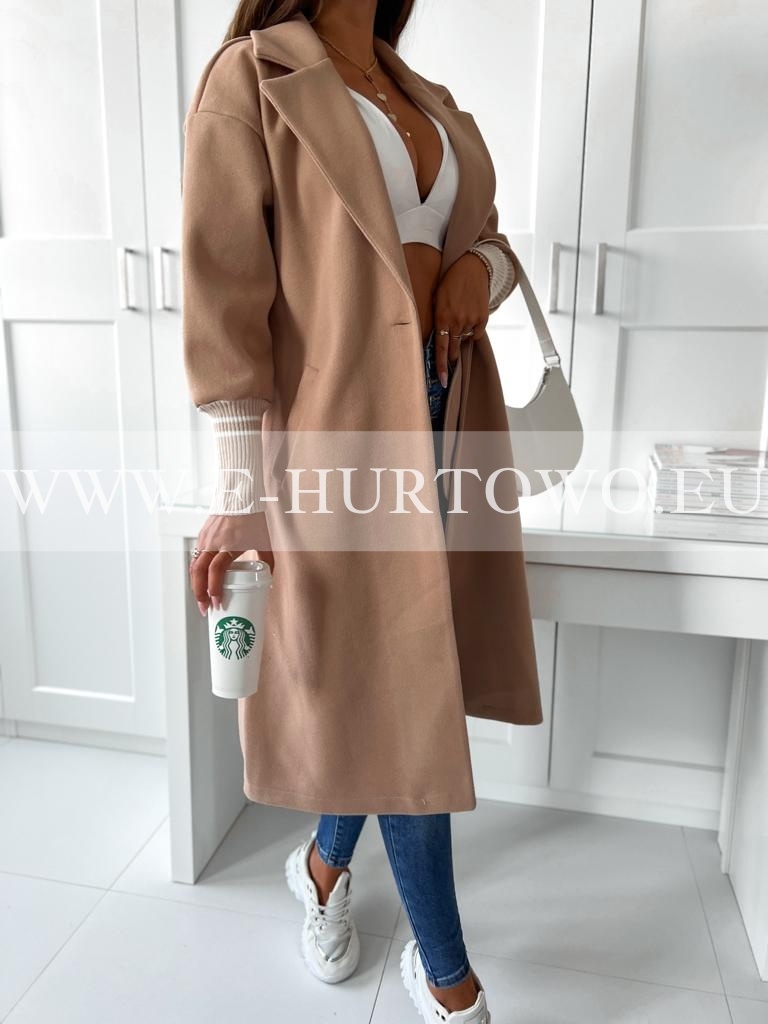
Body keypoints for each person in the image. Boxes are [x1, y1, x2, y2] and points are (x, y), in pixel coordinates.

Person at [182, 2, 544, 1020]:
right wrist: (240, 492)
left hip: (448, 420)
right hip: (333, 438)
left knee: (397, 681)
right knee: (399, 694)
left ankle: (322, 868)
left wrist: (478, 270)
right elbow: (224, 291)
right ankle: (451, 983)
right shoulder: (254, 77)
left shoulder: (423, 95)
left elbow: (491, 240)